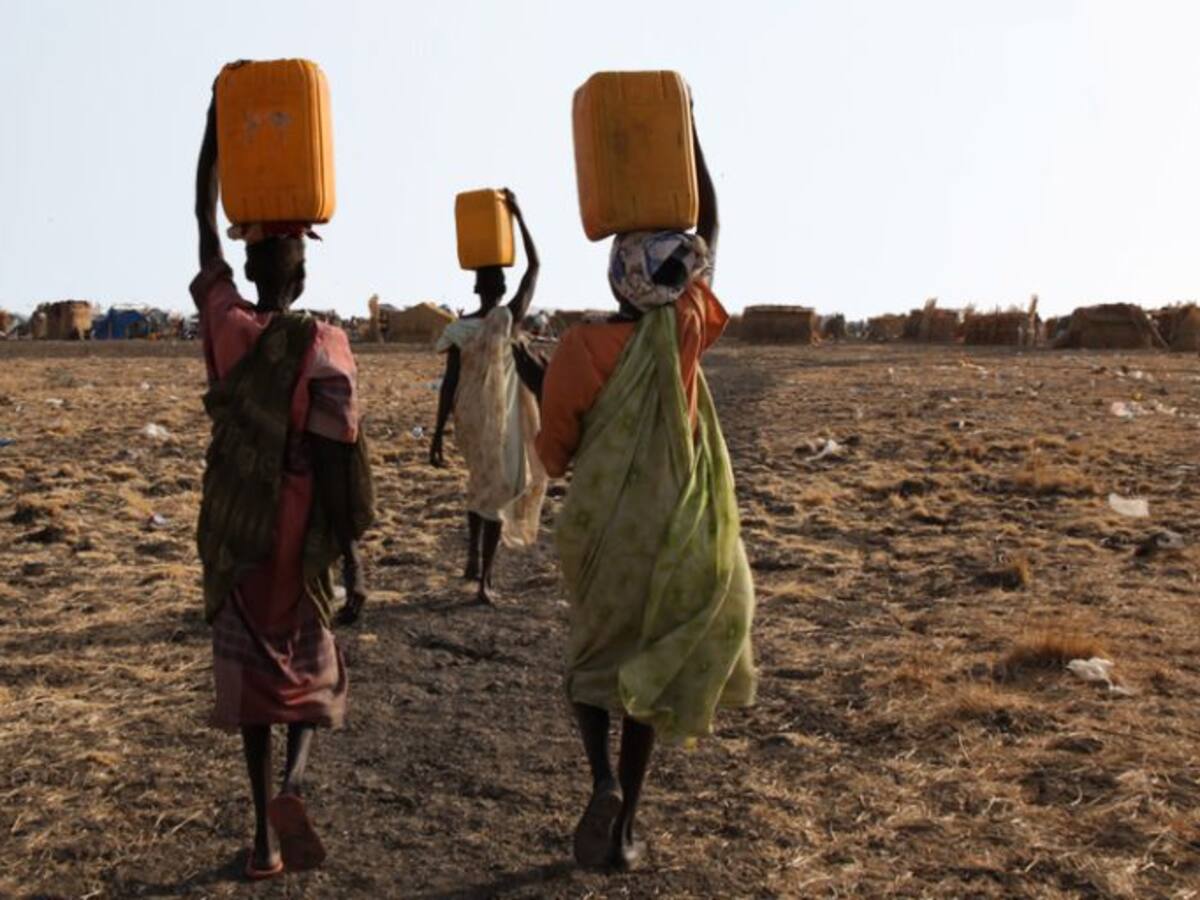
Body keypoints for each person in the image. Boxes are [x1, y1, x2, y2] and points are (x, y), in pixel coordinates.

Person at [535, 114, 756, 872]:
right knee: (648, 679)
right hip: (678, 526)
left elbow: (556, 451)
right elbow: (712, 236)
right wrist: (688, 137)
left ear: (615, 278)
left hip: (608, 531)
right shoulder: (687, 325)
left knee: (594, 666)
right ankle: (626, 825)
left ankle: (598, 779)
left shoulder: (580, 348)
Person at [192, 87, 374, 881]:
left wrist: (214, 135)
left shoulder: (229, 329)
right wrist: (355, 557)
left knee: (252, 676)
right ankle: (297, 786)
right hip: (302, 527)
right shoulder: (326, 342)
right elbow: (341, 452)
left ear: (255, 268)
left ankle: (263, 833)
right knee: (310, 657)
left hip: (240, 527)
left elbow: (205, 232)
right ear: (300, 278)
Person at [430, 189, 547, 605]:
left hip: (469, 417)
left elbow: (449, 383)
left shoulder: (460, 329)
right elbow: (533, 267)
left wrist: (438, 432)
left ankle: (472, 561)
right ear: (499, 287)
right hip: (499, 416)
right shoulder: (505, 318)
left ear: (477, 286)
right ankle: (486, 581)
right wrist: (519, 215)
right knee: (501, 488)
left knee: (480, 484)